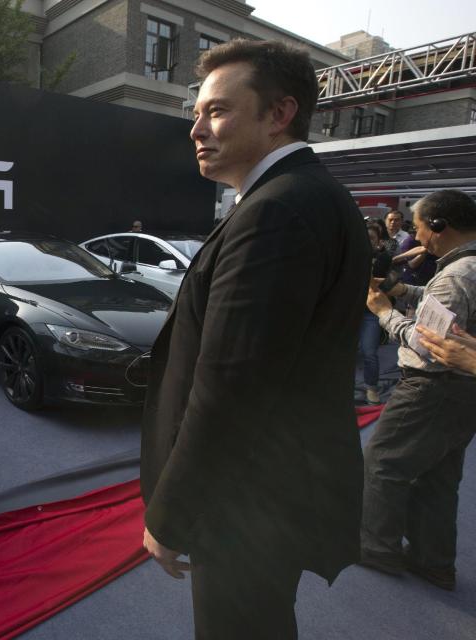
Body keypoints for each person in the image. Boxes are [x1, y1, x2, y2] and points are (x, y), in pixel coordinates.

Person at [139, 39, 369, 638]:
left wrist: (172, 512)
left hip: (246, 498)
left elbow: (230, 385)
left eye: (216, 111)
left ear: (278, 114)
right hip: (268, 487)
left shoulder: (279, 212)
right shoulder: (301, 198)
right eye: (197, 113)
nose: (196, 128)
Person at [362, 189, 476, 591]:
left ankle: (376, 547)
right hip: (463, 394)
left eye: (419, 225)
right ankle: (434, 561)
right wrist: (400, 290)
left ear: (440, 226)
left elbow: (429, 342)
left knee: (383, 461)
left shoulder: (458, 273)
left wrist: (384, 312)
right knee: (438, 478)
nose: (416, 234)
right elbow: (438, 303)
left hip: (431, 389)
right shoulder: (467, 269)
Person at [360, 223, 392, 404]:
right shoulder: (349, 257)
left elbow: (385, 279)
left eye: (371, 239)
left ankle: (371, 387)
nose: (366, 242)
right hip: (348, 312)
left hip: (370, 312)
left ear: (378, 242)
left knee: (369, 352)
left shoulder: (383, 258)